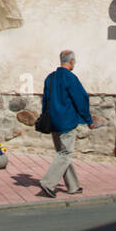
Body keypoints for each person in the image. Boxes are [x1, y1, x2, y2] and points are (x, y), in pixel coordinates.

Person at [40, 50, 95, 197]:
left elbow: (45, 100)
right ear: (71, 61)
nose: (74, 63)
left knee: (62, 154)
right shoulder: (70, 78)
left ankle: (73, 186)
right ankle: (48, 183)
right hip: (67, 121)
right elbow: (81, 99)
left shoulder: (50, 78)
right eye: (74, 61)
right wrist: (88, 120)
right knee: (65, 154)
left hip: (53, 121)